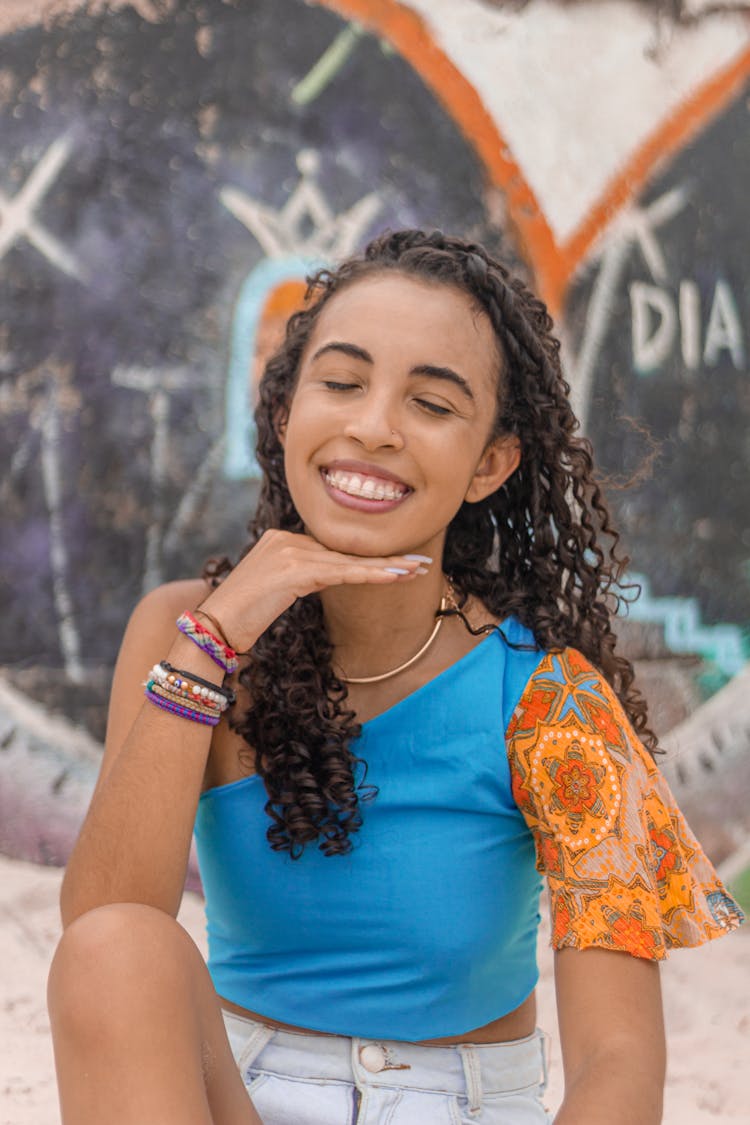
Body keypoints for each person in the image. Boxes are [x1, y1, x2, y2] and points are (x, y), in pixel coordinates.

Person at [47, 229, 743, 1125]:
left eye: (432, 403)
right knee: (113, 948)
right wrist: (212, 642)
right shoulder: (184, 635)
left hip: (456, 1107)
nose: (372, 427)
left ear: (491, 462)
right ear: (287, 409)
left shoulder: (550, 699)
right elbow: (102, 928)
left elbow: (619, 1065)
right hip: (232, 1099)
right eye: (340, 383)